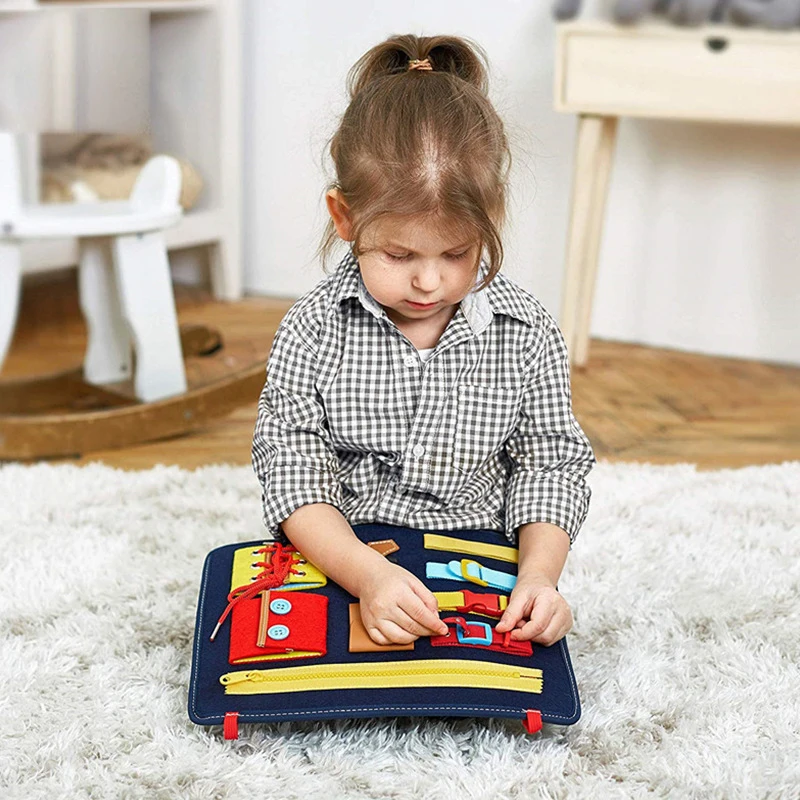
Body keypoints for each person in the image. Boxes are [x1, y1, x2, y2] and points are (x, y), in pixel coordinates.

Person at [252, 34, 596, 650]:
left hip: (479, 556)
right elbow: (292, 470)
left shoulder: (528, 331)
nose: (429, 281)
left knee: (504, 686)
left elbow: (550, 463)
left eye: (458, 253)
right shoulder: (312, 329)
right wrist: (368, 575)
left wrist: (540, 579)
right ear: (344, 218)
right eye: (399, 253)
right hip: (345, 555)